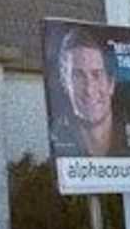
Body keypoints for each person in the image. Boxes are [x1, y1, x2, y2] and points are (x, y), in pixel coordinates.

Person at [51, 27, 124, 157]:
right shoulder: (56, 140)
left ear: (111, 84)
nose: (89, 89)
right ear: (64, 83)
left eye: (96, 75)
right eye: (78, 76)